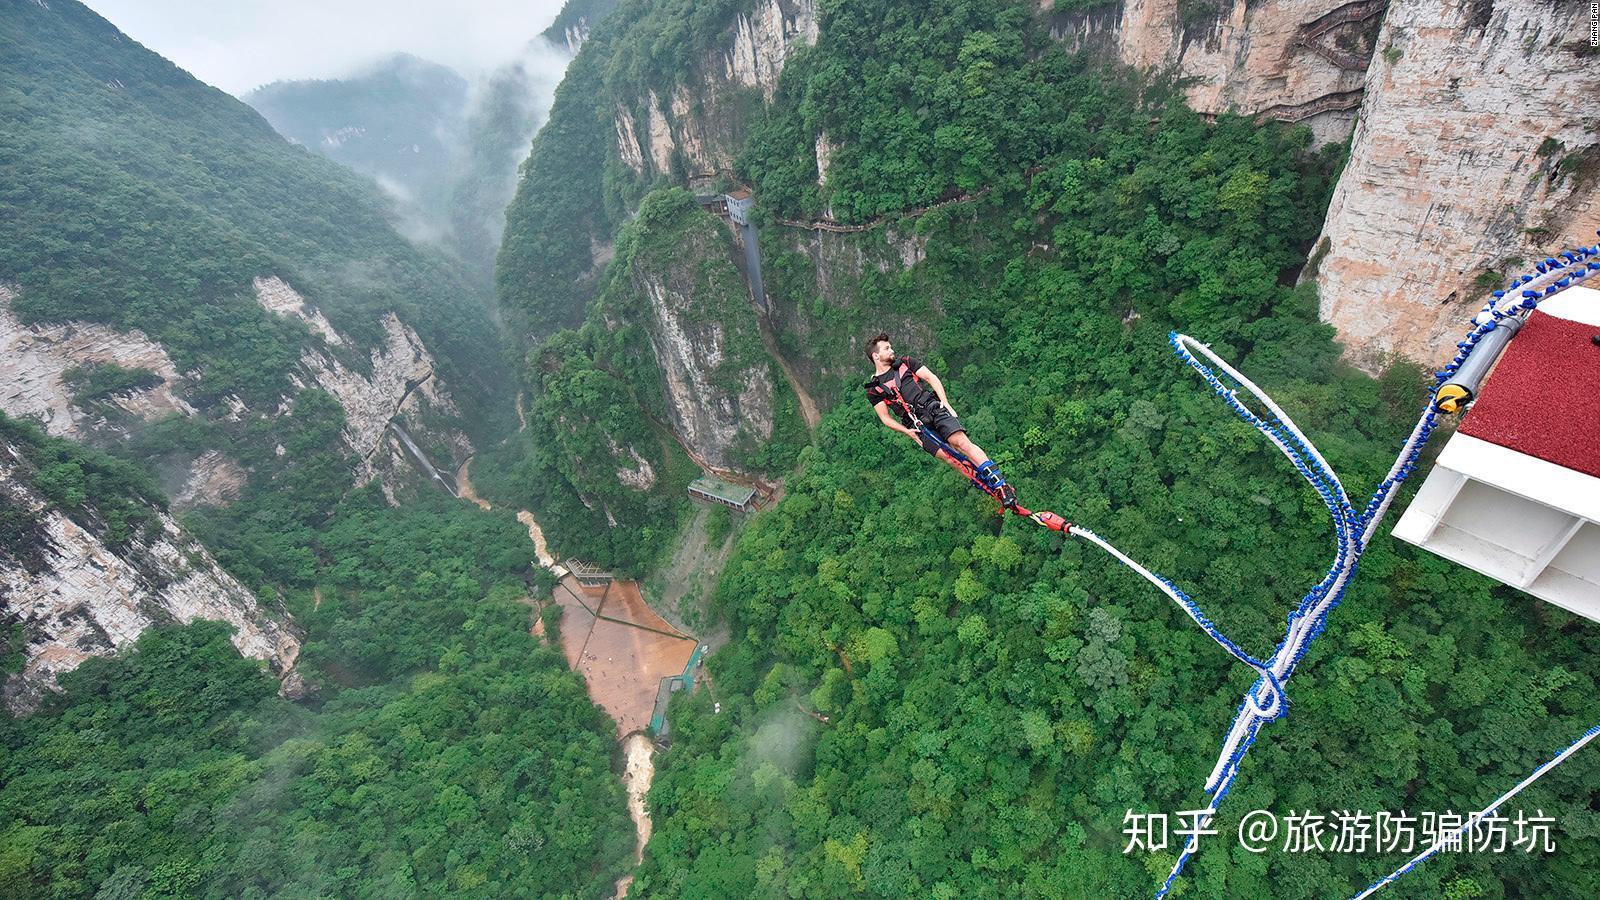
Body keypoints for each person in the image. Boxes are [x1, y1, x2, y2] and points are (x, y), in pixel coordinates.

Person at [862, 331, 1017, 508]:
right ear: (876, 355)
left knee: (961, 443)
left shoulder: (905, 363)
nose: (892, 350)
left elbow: (930, 377)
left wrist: (945, 402)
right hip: (916, 426)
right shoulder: (874, 389)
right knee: (952, 460)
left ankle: (1002, 486)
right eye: (887, 348)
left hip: (932, 407)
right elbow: (885, 418)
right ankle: (990, 490)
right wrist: (908, 432)